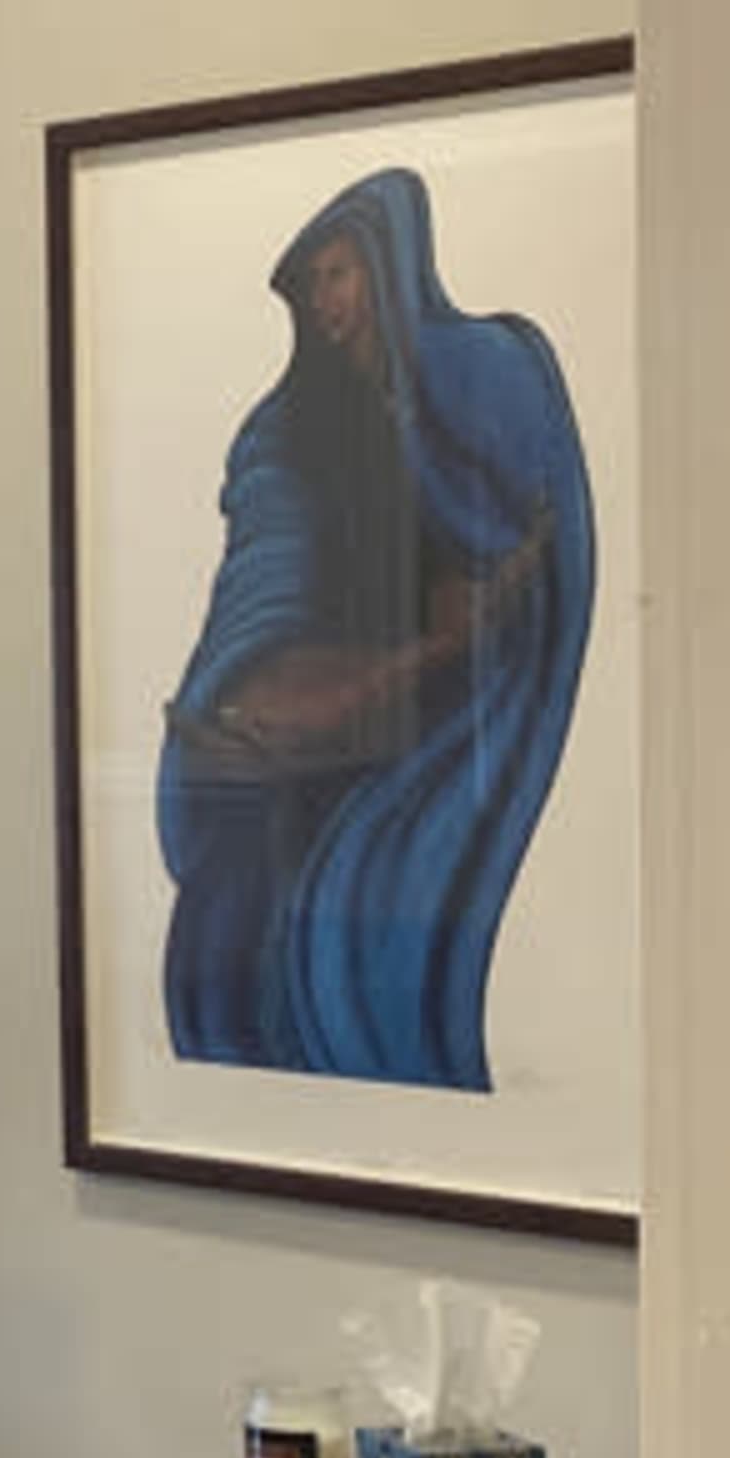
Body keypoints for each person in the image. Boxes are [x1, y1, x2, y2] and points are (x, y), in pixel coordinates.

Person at [155, 163, 592, 1091]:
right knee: (252, 972)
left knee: (367, 980)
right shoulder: (284, 435)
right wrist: (410, 652)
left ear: (392, 268)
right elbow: (264, 601)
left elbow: (516, 548)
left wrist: (478, 612)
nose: (325, 304)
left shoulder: (484, 373)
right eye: (311, 284)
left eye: (340, 274)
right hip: (311, 766)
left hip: (434, 752)